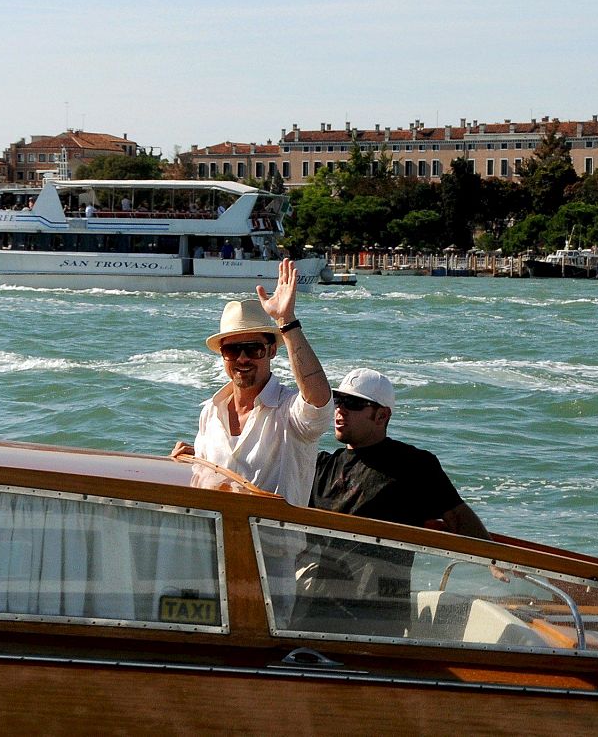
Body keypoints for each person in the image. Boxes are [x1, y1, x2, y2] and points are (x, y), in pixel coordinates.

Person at [291, 368, 487, 637]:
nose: (341, 410)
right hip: (312, 609)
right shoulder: (320, 465)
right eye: (339, 401)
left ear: (382, 415)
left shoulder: (412, 466)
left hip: (376, 617)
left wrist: (498, 562)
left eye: (355, 404)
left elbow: (458, 518)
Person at [171, 258, 332, 504]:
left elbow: (319, 401)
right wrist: (192, 462)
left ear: (271, 351)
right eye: (233, 350)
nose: (243, 359)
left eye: (253, 349)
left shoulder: (290, 412)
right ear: (223, 355)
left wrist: (286, 322)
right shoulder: (210, 414)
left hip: (274, 543)